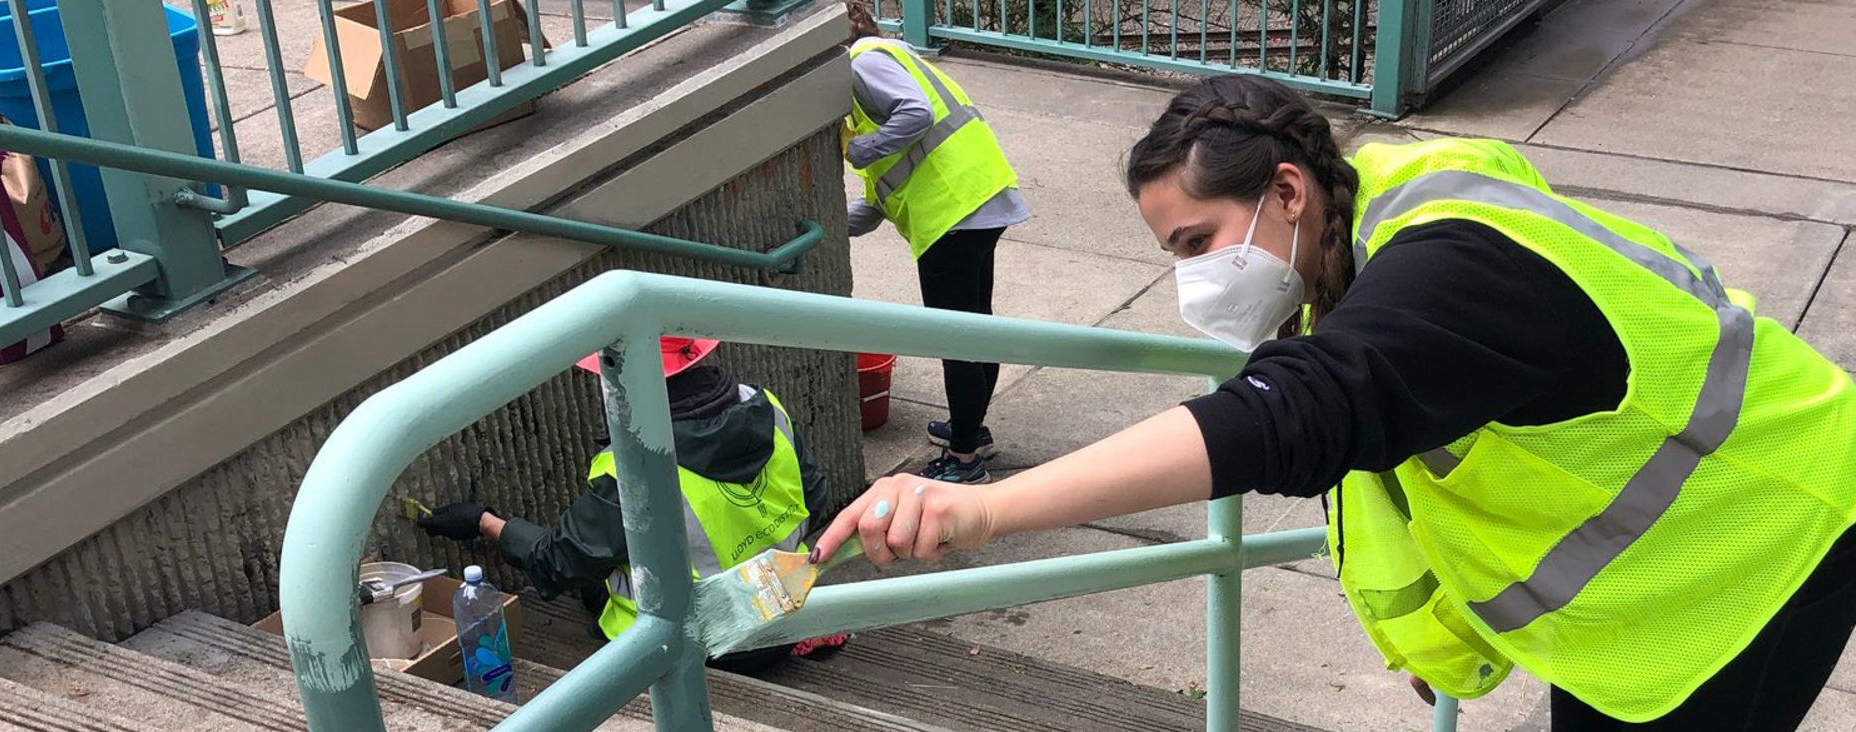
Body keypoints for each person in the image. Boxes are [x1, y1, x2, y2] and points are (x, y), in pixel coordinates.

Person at [812, 74, 1856, 731]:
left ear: (1284, 191)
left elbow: (1296, 416)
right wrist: (1444, 642)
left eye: (1195, 243)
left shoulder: (1447, 257)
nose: (1190, 281)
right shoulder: (1339, 282)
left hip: (1770, 529)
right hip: (1657, 586)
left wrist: (979, 507)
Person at [419, 337, 847, 674]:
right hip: (785, 616)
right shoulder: (765, 407)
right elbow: (814, 496)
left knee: (594, 570)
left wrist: (483, 521)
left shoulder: (638, 470)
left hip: (701, 646)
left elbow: (557, 562)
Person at [843, 1, 1030, 484]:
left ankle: (964, 460)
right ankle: (972, 427)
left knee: (956, 339)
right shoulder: (892, 57)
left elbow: (916, 114)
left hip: (953, 212)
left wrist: (856, 149)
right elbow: (881, 198)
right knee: (976, 326)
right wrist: (829, 223)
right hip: (978, 197)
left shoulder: (862, 62)